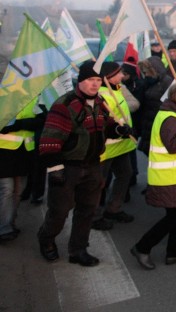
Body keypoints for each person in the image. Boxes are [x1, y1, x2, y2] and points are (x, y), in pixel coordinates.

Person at [37, 60, 132, 266]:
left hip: (92, 166)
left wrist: (118, 130)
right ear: (80, 81)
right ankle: (46, 239)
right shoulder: (65, 104)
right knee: (59, 212)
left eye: (98, 80)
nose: (95, 84)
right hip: (68, 168)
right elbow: (49, 140)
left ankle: (78, 250)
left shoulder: (99, 103)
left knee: (87, 211)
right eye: (91, 79)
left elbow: (106, 126)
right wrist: (55, 170)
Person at [130, 82, 176, 270]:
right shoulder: (170, 118)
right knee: (175, 216)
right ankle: (142, 247)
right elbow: (175, 145)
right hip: (169, 178)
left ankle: (174, 252)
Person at [92, 61, 137, 231]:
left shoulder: (116, 90)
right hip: (106, 149)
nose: (122, 76)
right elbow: (102, 123)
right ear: (108, 77)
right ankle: (94, 216)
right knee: (99, 183)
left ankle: (113, 209)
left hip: (122, 146)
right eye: (118, 73)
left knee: (125, 174)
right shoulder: (101, 96)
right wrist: (119, 130)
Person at [0, 98, 43, 242]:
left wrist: (18, 124)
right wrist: (22, 124)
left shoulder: (34, 97)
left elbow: (41, 121)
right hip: (4, 150)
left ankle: (10, 222)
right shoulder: (4, 96)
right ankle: (4, 227)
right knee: (7, 190)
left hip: (25, 151)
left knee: (18, 191)